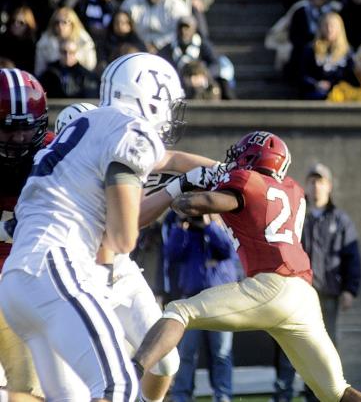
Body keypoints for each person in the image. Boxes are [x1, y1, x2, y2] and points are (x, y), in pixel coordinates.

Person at [0, 52, 217, 400]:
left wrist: (226, 173)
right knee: (119, 385)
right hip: (59, 266)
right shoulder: (132, 130)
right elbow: (122, 237)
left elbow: (169, 159)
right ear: (150, 97)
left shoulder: (87, 126)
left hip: (19, 280)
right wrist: (174, 192)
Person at [131, 131, 361, 402]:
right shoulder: (294, 190)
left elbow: (198, 204)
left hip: (269, 286)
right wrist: (211, 178)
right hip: (304, 296)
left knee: (179, 311)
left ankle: (128, 374)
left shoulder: (245, 180)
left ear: (252, 157)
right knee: (337, 392)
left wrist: (184, 188)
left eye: (240, 154)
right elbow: (249, 191)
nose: (234, 159)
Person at [54, 101, 182, 402]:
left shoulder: (114, 159)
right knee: (86, 379)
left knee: (166, 362)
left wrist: (219, 173)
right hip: (75, 276)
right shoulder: (54, 177)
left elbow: (171, 161)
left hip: (120, 271)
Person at [273, 161, 361, 402]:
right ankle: (284, 395)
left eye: (320, 181)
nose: (315, 187)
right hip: (297, 293)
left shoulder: (341, 220)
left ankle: (318, 398)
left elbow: (352, 257)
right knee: (289, 346)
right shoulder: (295, 215)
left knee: (325, 350)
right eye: (311, 181)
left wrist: (350, 289)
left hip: (328, 295)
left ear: (329, 186)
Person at [0, 68, 54, 402]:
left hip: (36, 282)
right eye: (9, 130)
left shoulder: (53, 152)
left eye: (26, 128)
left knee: (34, 385)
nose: (20, 138)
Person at [163, 212, 238, 402]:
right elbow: (171, 255)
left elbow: (227, 250)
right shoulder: (184, 230)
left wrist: (210, 224)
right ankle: (181, 396)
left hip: (220, 300)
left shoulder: (220, 222)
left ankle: (223, 396)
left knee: (222, 353)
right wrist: (181, 227)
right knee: (186, 352)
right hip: (192, 299)